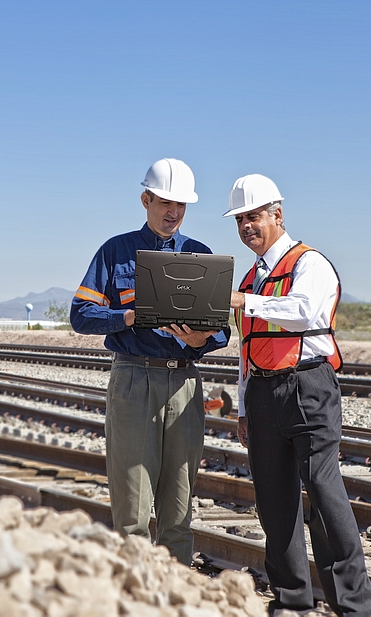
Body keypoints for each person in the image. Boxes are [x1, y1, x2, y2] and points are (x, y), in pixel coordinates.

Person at [224, 174, 371, 616]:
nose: (247, 226)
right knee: (274, 504)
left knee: (326, 499)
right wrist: (244, 404)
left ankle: (353, 607)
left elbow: (303, 312)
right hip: (264, 394)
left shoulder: (310, 263)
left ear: (278, 214)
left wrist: (245, 301)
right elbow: (247, 348)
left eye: (254, 216)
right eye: (240, 220)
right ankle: (292, 602)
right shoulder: (253, 277)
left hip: (308, 387)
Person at [69, 158, 230, 565]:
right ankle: (134, 595)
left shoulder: (200, 255)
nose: (172, 212)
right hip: (133, 380)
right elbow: (80, 315)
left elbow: (222, 332)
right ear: (146, 199)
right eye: (164, 203)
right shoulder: (115, 251)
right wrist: (127, 316)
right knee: (132, 510)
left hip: (185, 383)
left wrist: (200, 338)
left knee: (179, 508)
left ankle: (175, 594)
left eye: (180, 205)